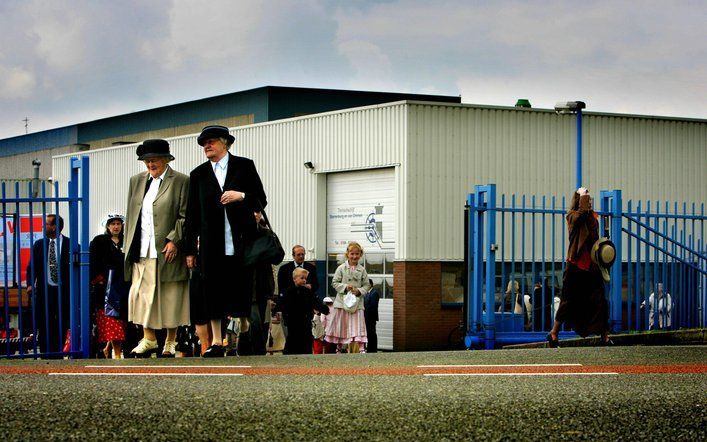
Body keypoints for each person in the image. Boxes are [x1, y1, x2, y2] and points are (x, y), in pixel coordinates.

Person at [184, 125, 267, 358]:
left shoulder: (244, 165)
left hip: (241, 240)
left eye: (211, 141)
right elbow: (191, 215)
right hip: (211, 243)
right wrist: (190, 249)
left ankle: (243, 334)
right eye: (203, 143)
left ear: (225, 143)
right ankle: (217, 341)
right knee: (213, 290)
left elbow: (261, 198)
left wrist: (240, 195)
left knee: (241, 288)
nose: (206, 146)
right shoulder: (198, 174)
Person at [124, 139, 190, 357]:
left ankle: (171, 341)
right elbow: (133, 216)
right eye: (147, 160)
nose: (150, 164)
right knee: (142, 295)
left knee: (171, 295)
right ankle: (149, 338)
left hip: (167, 249)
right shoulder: (136, 181)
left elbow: (184, 216)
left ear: (166, 159)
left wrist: (174, 240)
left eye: (154, 160)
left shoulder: (181, 181)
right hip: (142, 249)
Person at [547, 187, 610, 347]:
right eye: (585, 199)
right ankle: (554, 333)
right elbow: (579, 218)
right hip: (575, 265)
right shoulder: (572, 216)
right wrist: (582, 196)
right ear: (579, 200)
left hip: (592, 266)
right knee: (567, 300)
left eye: (589, 199)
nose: (589, 202)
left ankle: (605, 336)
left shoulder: (591, 217)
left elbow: (594, 236)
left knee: (599, 300)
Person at [26, 214, 74, 355]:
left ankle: (59, 351)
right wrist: (30, 284)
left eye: (46, 224)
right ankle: (45, 353)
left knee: (62, 321)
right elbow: (32, 266)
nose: (43, 226)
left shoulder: (70, 244)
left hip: (64, 291)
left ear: (55, 227)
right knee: (44, 322)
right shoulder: (39, 244)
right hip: (45, 290)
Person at [89, 213, 128, 359]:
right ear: (107, 226)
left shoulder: (127, 240)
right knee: (112, 322)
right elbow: (92, 261)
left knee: (122, 322)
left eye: (118, 224)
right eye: (113, 224)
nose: (116, 227)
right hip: (105, 289)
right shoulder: (100, 241)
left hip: (124, 287)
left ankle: (108, 348)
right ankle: (116, 354)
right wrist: (98, 279)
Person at [325, 242, 371, 354]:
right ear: (347, 254)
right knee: (341, 324)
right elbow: (334, 282)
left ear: (360, 255)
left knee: (357, 324)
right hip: (342, 302)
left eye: (357, 254)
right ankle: (339, 347)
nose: (354, 256)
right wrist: (345, 287)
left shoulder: (362, 270)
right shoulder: (341, 268)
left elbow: (367, 284)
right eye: (352, 254)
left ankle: (361, 348)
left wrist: (359, 291)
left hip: (357, 303)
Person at [275, 267, 329, 355]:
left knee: (306, 340)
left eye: (305, 279)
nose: (304, 280)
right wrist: (278, 311)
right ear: (294, 279)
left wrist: (324, 309)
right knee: (292, 339)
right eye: (302, 278)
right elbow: (282, 303)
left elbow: (316, 302)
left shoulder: (308, 292)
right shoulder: (288, 291)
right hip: (292, 321)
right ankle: (289, 356)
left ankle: (305, 356)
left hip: (305, 320)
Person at [363, 279, 380, 353]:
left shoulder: (374, 293)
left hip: (371, 317)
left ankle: (373, 350)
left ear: (370, 284)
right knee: (368, 334)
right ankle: (369, 349)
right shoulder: (367, 293)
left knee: (372, 333)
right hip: (366, 317)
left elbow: (373, 306)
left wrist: (369, 317)